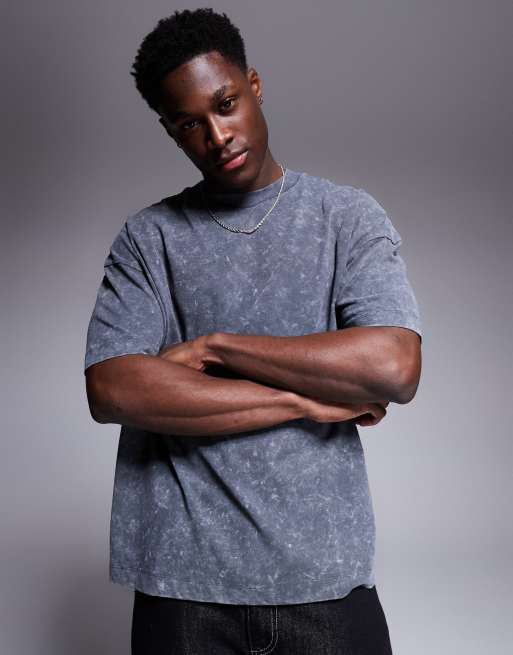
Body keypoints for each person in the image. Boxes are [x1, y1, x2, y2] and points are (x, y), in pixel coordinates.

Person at [84, 8, 423, 654]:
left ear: (254, 86)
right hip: (182, 590)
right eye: (190, 123)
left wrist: (216, 346)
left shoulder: (344, 217)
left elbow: (394, 367)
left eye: (226, 104)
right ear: (171, 131)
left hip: (324, 579)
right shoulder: (147, 239)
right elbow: (112, 388)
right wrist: (302, 399)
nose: (218, 135)